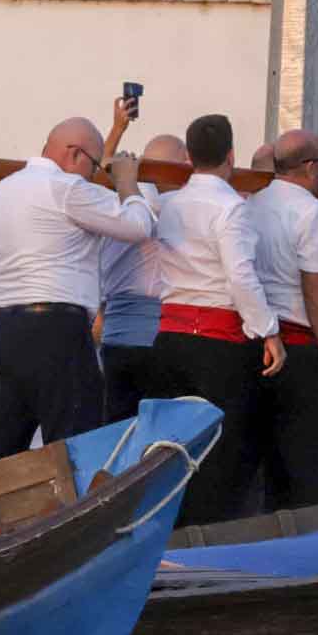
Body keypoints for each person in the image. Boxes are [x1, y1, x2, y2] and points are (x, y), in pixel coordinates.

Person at [0, 102, 153, 461]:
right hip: (56, 329)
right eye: (94, 165)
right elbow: (139, 226)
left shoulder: (0, 194)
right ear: (75, 154)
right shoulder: (67, 188)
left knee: (2, 447)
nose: (93, 176)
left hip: (7, 328)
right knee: (77, 445)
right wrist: (127, 183)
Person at [153, 114, 284, 524]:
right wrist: (268, 330)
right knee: (222, 452)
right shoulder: (231, 208)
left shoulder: (168, 204)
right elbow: (240, 275)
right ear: (231, 156)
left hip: (170, 335)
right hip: (218, 341)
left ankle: (174, 530)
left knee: (174, 447)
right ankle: (205, 536)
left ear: (190, 156)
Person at [248, 129, 318, 506]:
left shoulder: (254, 203)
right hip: (299, 343)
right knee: (307, 462)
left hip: (257, 336)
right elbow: (315, 288)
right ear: (310, 167)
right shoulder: (311, 213)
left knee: (267, 460)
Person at [101, 133, 186, 423]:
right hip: (162, 337)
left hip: (115, 337)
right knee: (161, 433)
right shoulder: (182, 206)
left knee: (116, 430)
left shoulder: (112, 204)